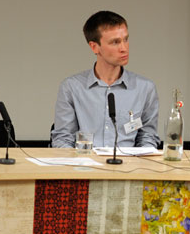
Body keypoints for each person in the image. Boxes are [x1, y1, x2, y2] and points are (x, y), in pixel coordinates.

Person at [51, 11, 159, 148]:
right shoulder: (72, 88)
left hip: (128, 166)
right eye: (115, 42)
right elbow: (63, 139)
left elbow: (148, 137)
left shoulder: (145, 89)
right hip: (84, 165)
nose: (124, 48)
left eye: (126, 39)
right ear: (94, 47)